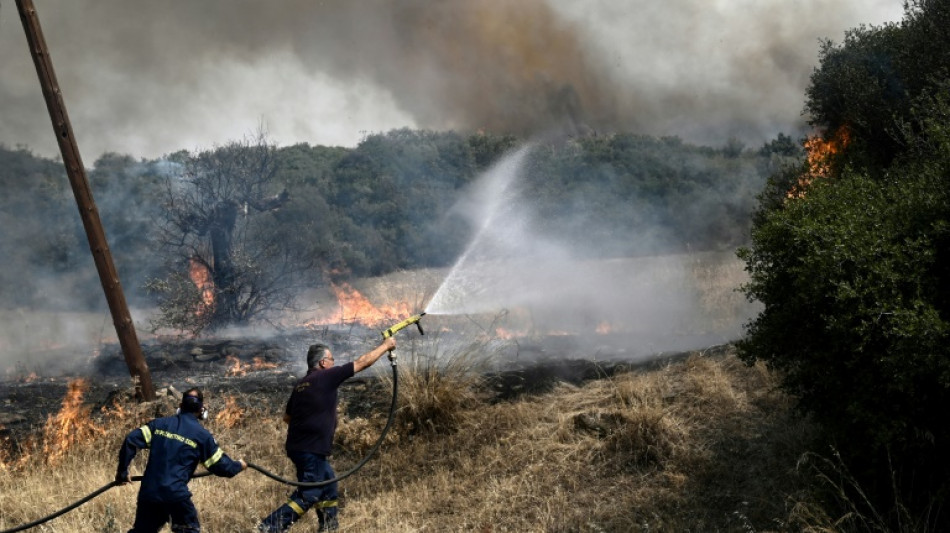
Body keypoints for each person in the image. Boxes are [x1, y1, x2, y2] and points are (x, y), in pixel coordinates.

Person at [258, 337, 396, 532]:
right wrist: (386, 345)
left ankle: (329, 528)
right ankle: (269, 527)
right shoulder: (326, 376)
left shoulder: (301, 385)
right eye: (331, 359)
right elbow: (363, 362)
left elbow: (287, 418)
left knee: (329, 488)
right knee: (310, 493)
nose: (333, 362)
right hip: (310, 449)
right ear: (323, 363)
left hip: (303, 448)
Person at [115, 387, 247, 533]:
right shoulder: (202, 436)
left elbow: (131, 440)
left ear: (180, 406)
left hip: (150, 493)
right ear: (202, 410)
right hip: (175, 496)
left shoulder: (159, 425)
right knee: (188, 529)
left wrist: (122, 471)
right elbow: (223, 467)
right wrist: (239, 465)